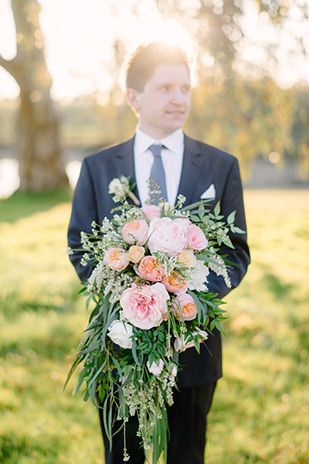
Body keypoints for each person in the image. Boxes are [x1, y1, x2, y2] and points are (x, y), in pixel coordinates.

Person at [67, 41, 250, 464]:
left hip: (194, 345)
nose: (179, 98)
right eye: (166, 88)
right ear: (134, 98)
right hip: (119, 343)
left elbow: (237, 251)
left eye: (185, 88)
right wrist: (124, 293)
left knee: (187, 454)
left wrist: (187, 300)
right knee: (123, 455)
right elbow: (80, 245)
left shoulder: (221, 166)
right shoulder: (98, 168)